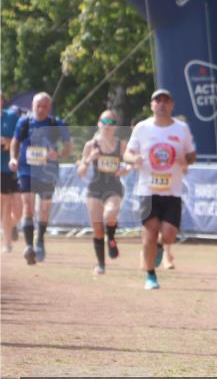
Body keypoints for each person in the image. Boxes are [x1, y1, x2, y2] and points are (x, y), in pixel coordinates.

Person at [124, 89, 195, 290]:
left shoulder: (182, 129)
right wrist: (134, 158)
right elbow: (128, 153)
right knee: (150, 231)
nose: (162, 104)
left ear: (172, 105)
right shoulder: (142, 128)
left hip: (172, 190)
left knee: (169, 233)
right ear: (152, 105)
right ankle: (150, 275)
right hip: (147, 190)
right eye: (158, 101)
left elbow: (192, 154)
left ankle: (161, 248)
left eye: (166, 101)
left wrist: (185, 159)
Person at [8, 92, 72, 265]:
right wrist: (13, 159)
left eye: (45, 106)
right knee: (28, 206)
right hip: (26, 169)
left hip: (47, 172)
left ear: (49, 107)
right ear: (32, 106)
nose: (41, 109)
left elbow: (68, 148)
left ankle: (40, 240)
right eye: (38, 106)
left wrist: (57, 153)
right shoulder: (24, 122)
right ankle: (29, 246)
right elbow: (15, 142)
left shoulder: (56, 124)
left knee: (43, 209)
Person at [76, 110, 129, 275]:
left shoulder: (121, 145)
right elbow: (81, 172)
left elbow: (129, 164)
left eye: (111, 122)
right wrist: (89, 158)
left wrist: (125, 169)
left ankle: (111, 238)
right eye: (104, 122)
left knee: (110, 215)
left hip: (113, 186)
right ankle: (101, 264)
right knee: (98, 228)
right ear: (99, 124)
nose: (107, 125)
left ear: (115, 126)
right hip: (95, 187)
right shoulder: (91, 145)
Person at [1, 92, 22, 253]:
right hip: (1, 169)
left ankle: (13, 225)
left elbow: (19, 139)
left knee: (19, 209)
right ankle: (7, 244)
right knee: (5, 206)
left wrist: (6, 143)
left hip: (16, 166)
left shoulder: (11, 116)